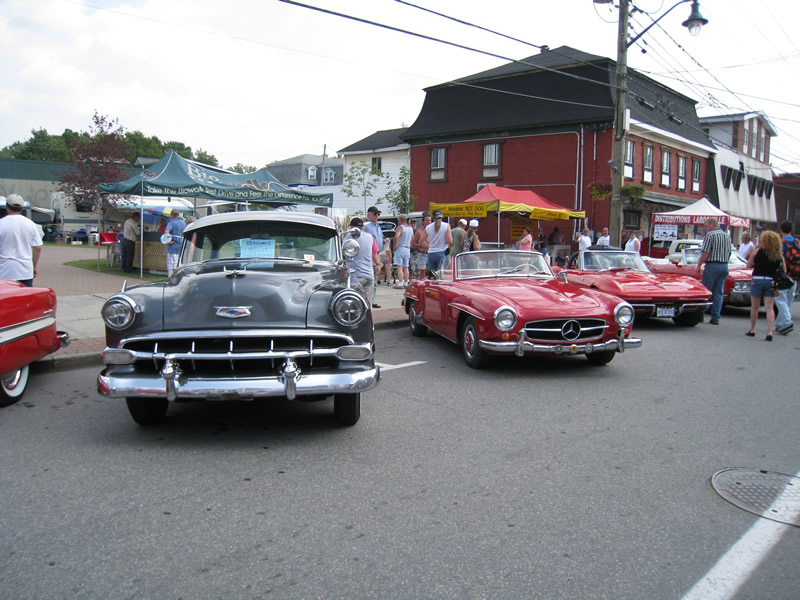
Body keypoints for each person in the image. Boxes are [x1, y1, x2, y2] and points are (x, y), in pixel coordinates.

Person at [745, 231, 784, 341]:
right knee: (769, 307)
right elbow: (783, 270)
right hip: (771, 281)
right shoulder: (778, 255)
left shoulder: (757, 252)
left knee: (755, 307)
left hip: (757, 280)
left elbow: (748, 265)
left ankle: (752, 329)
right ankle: (770, 332)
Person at [0, 193, 43, 286]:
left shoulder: (1, 223)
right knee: (25, 298)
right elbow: (37, 247)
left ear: (7, 207)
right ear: (22, 208)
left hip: (5, 270)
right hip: (25, 271)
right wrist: (34, 266)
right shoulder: (31, 224)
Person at [696, 217, 732, 325]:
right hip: (724, 265)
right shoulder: (726, 236)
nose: (705, 229)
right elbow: (729, 252)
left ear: (712, 224)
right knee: (718, 292)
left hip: (712, 265)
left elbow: (705, 252)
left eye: (706, 226)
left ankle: (700, 314)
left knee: (706, 291)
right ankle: (716, 316)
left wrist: (699, 265)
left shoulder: (710, 235)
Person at [345, 217, 379, 308]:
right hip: (369, 275)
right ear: (362, 227)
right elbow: (375, 254)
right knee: (367, 305)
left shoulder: (348, 237)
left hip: (355, 276)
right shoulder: (370, 237)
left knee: (354, 306)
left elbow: (342, 253)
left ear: (352, 227)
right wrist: (378, 264)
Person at [776, 220, 798, 335]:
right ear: (792, 230)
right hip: (795, 276)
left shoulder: (780, 243)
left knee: (780, 300)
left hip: (783, 276)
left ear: (781, 230)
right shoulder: (798, 242)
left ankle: (787, 321)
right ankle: (780, 324)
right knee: (788, 300)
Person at [420, 209, 453, 276]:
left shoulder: (428, 227)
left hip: (431, 253)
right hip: (442, 252)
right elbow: (450, 241)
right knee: (442, 275)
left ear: (433, 218)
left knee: (432, 275)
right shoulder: (446, 226)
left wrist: (428, 247)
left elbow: (421, 241)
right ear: (442, 216)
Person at [392, 214, 413, 288]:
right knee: (406, 267)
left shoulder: (400, 227)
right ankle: (406, 282)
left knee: (399, 267)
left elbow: (396, 237)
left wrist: (395, 246)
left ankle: (400, 282)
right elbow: (412, 238)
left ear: (401, 219)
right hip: (407, 248)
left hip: (400, 248)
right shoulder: (410, 228)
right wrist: (409, 244)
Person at [164, 209, 186, 276]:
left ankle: (173, 279)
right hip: (182, 246)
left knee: (172, 266)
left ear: (171, 215)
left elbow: (166, 231)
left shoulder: (171, 223)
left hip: (174, 246)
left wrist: (168, 241)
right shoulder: (183, 223)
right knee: (179, 264)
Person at [410, 213, 431, 279]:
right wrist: (421, 245)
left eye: (430, 220)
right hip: (422, 254)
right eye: (427, 220)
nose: (429, 222)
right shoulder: (419, 232)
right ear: (423, 222)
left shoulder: (433, 231)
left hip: (431, 254)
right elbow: (413, 244)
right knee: (422, 274)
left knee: (433, 273)